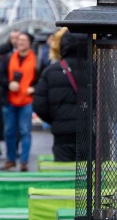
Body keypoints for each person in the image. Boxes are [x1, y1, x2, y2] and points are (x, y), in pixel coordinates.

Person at [33, 31, 87, 162]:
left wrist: (56, 120)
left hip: (62, 134)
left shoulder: (51, 71)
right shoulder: (97, 69)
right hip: (88, 131)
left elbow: (39, 105)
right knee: (90, 174)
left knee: (65, 173)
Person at [0, 31, 37, 171]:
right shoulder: (9, 58)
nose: (20, 42)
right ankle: (10, 160)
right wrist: (8, 83)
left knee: (25, 131)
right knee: (9, 132)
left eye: (23, 40)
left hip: (27, 101)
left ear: (29, 43)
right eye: (19, 40)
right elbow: (0, 76)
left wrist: (34, 88)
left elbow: (41, 78)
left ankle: (23, 162)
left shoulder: (36, 60)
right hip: (10, 100)